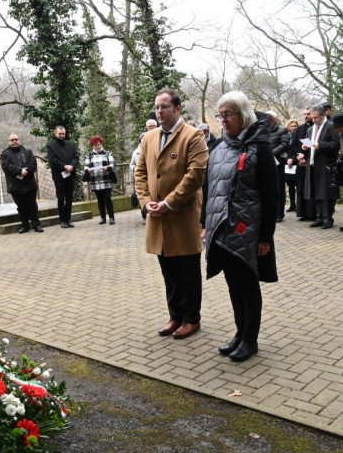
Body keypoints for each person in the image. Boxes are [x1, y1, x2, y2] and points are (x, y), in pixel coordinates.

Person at [201, 91, 277, 362]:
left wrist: (265, 236)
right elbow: (209, 188)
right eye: (220, 115)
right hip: (221, 227)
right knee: (233, 284)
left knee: (247, 284)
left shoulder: (260, 148)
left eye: (228, 114)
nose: (223, 120)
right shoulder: (220, 147)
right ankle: (239, 333)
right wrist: (204, 224)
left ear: (243, 115)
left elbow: (271, 194)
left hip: (247, 229)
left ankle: (250, 340)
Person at [134, 88, 209, 340]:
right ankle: (175, 315)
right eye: (157, 107)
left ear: (177, 109)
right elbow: (140, 173)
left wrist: (169, 202)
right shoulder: (149, 137)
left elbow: (195, 175)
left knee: (188, 271)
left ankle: (191, 318)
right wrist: (146, 202)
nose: (159, 111)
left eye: (164, 106)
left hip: (182, 215)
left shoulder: (193, 136)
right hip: (157, 217)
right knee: (168, 271)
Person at [302, 104, 339, 228]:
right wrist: (304, 149)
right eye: (312, 117)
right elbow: (309, 145)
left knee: (325, 194)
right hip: (312, 164)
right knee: (314, 193)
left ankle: (327, 218)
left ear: (323, 115)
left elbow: (336, 144)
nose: (313, 120)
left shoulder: (331, 126)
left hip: (326, 165)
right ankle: (318, 217)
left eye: (315, 117)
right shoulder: (310, 129)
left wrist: (320, 145)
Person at [0, 133, 42, 233]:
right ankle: (24, 225)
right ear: (9, 141)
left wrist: (26, 170)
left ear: (19, 140)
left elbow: (33, 164)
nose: (14, 141)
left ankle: (36, 225)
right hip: (15, 185)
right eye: (12, 140)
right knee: (21, 207)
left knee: (32, 205)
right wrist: (19, 171)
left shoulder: (27, 151)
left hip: (29, 184)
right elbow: (6, 166)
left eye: (16, 139)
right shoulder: (4, 154)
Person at [46, 125, 80, 228]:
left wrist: (72, 166)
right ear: (55, 133)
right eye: (60, 134)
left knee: (69, 198)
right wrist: (64, 166)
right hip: (59, 176)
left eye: (63, 133)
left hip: (70, 175)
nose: (62, 135)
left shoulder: (70, 144)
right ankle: (62, 220)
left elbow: (76, 156)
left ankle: (68, 219)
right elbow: (53, 160)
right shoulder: (50, 145)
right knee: (61, 198)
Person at [84, 136, 117, 225]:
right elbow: (85, 166)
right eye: (95, 145)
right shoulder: (89, 155)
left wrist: (107, 168)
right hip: (95, 181)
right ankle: (103, 218)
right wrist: (88, 170)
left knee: (107, 199)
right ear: (92, 146)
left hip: (106, 180)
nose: (97, 146)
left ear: (101, 144)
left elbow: (113, 165)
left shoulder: (108, 153)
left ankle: (111, 218)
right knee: (100, 200)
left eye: (98, 144)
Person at [293, 107, 315, 221]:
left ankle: (312, 214)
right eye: (304, 114)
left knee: (311, 187)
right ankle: (303, 213)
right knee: (301, 187)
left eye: (308, 114)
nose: (306, 116)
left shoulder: (315, 127)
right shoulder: (300, 128)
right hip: (300, 163)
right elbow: (295, 144)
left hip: (310, 162)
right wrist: (299, 156)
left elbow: (313, 145)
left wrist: (305, 156)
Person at [267, 111, 289, 222]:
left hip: (278, 162)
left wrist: (271, 154)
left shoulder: (282, 129)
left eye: (270, 119)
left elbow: (284, 144)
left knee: (279, 188)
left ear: (275, 119)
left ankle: (280, 213)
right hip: (266, 162)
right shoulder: (263, 130)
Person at [284, 119, 300, 212]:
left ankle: (299, 205)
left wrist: (293, 159)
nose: (294, 128)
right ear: (288, 127)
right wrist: (287, 159)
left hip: (297, 163)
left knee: (298, 185)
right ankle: (292, 205)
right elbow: (284, 150)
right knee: (290, 185)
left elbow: (300, 150)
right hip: (288, 165)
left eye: (295, 126)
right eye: (292, 126)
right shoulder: (286, 137)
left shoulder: (299, 136)